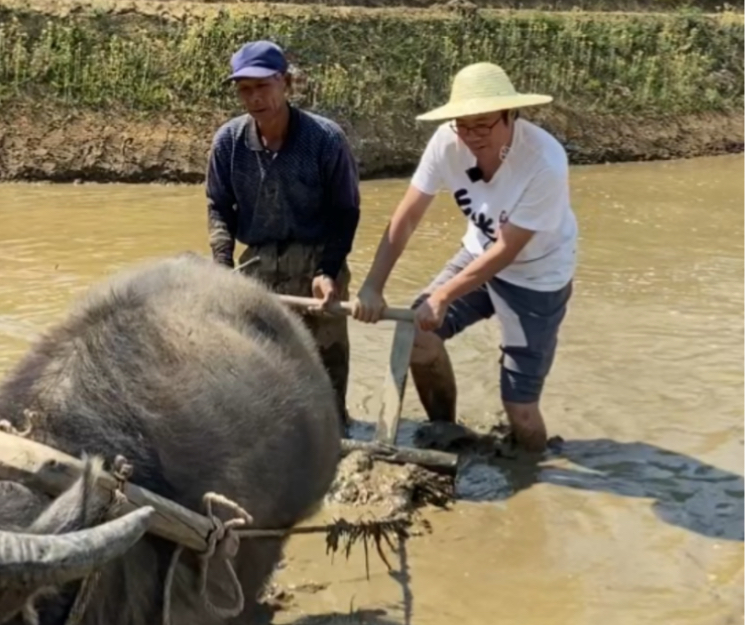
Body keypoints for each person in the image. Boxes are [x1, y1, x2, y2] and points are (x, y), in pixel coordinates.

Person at [352, 62, 578, 453]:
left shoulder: (545, 161)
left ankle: (532, 471)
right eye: (463, 125)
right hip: (476, 254)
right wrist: (373, 284)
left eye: (483, 125)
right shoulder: (446, 142)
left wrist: (442, 297)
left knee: (520, 410)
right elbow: (407, 216)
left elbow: (508, 248)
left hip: (536, 277)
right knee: (417, 339)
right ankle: (446, 432)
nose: (471, 136)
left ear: (510, 115)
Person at [204, 40, 361, 431]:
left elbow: (346, 211)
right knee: (252, 365)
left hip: (317, 263)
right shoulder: (229, 142)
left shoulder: (324, 139)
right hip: (258, 264)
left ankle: (333, 434)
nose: (254, 97)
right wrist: (221, 267)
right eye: (245, 89)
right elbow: (218, 206)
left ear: (286, 83)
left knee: (327, 368)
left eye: (263, 86)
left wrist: (328, 270)